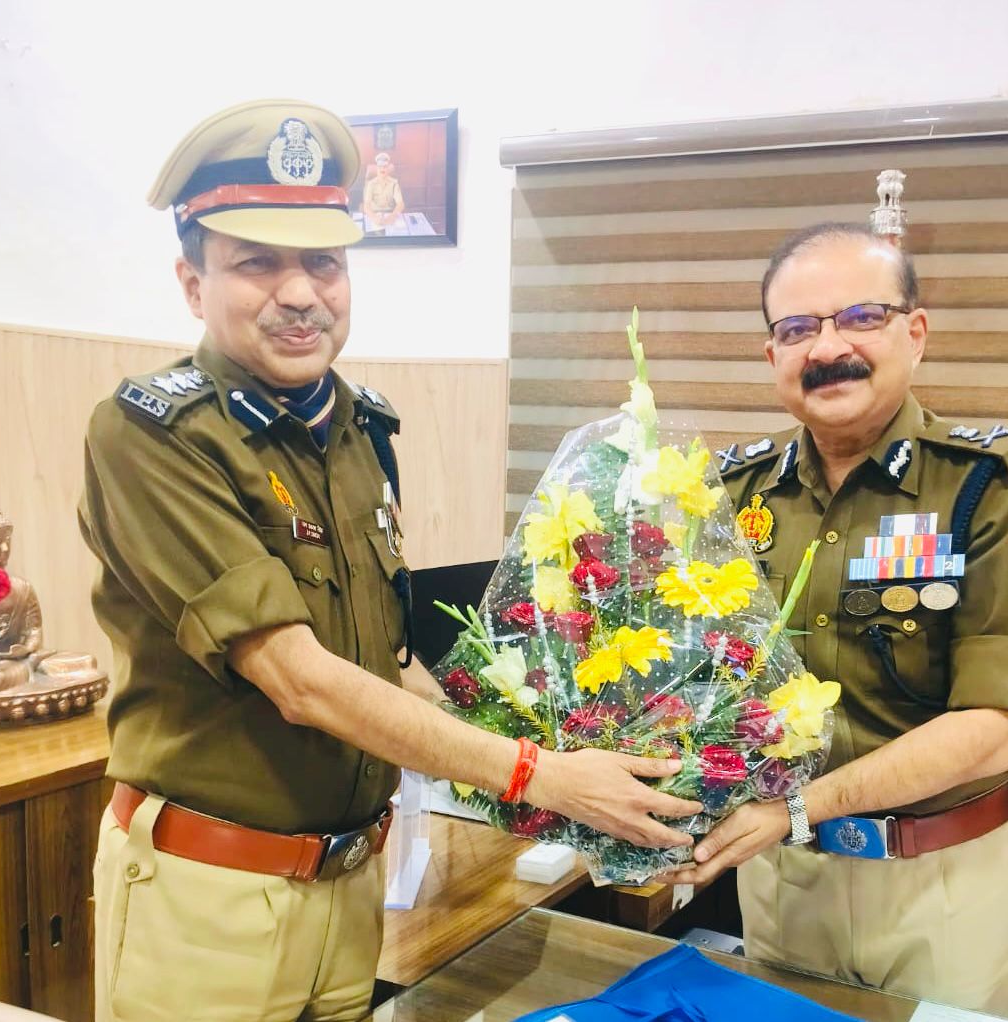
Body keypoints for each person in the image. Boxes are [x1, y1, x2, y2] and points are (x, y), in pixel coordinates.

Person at [81, 99, 700, 1022]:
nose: (301, 293)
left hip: (351, 889)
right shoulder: (154, 434)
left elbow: (377, 671)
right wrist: (534, 773)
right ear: (192, 283)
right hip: (209, 895)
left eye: (324, 263)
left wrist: (559, 741)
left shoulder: (356, 429)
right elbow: (300, 680)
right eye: (257, 263)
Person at [670, 222, 1008, 1015]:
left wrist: (797, 809)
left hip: (942, 887)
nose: (828, 348)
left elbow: (1002, 728)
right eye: (797, 329)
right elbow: (695, 683)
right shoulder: (729, 493)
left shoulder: (987, 484)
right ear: (772, 355)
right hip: (786, 880)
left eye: (860, 316)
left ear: (914, 333)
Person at [361, 150, 405, 229]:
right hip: (375, 214)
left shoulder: (394, 183)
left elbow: (400, 204)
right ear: (377, 168)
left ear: (388, 168)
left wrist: (392, 216)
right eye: (380, 167)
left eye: (385, 166)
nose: (382, 169)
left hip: (390, 213)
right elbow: (366, 205)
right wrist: (373, 217)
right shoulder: (371, 184)